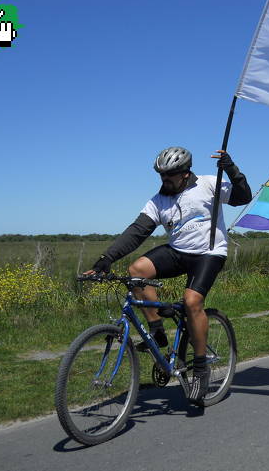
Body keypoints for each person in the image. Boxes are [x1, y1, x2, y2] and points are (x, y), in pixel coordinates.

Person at [84, 146, 251, 403]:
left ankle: (200, 370)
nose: (164, 180)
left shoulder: (208, 184)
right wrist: (107, 258)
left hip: (209, 253)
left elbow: (243, 197)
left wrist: (231, 169)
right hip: (177, 251)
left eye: (170, 175)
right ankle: (157, 332)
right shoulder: (159, 200)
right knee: (136, 271)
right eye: (161, 175)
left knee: (192, 302)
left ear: (185, 174)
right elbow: (137, 231)